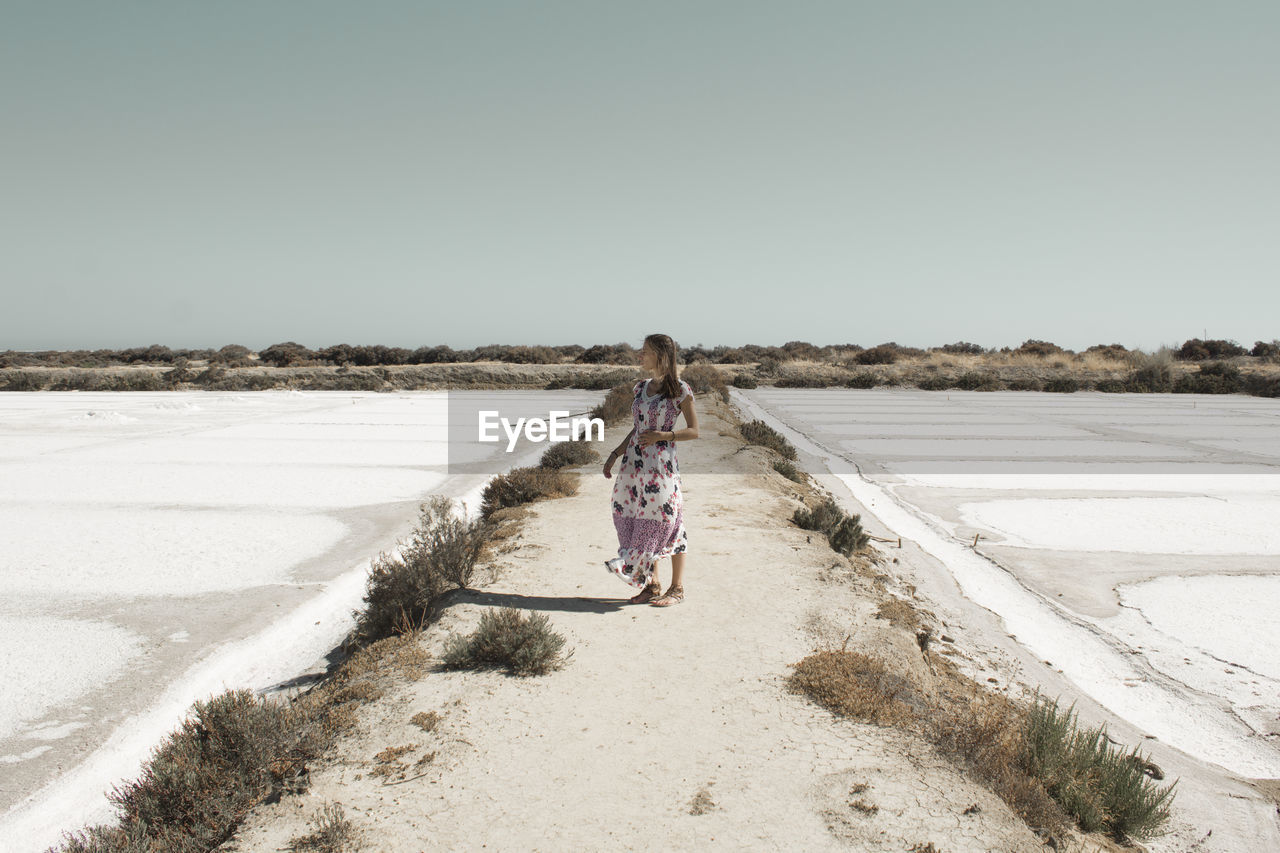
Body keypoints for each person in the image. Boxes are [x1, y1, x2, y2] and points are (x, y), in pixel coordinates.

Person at [602, 333, 698, 606]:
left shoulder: (681, 390)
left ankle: (677, 588)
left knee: (668, 519)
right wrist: (615, 453)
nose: (639, 355)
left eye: (645, 351)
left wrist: (662, 436)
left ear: (661, 355)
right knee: (634, 516)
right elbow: (637, 428)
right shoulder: (640, 388)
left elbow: (694, 431)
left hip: (662, 466)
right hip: (634, 464)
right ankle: (652, 584)